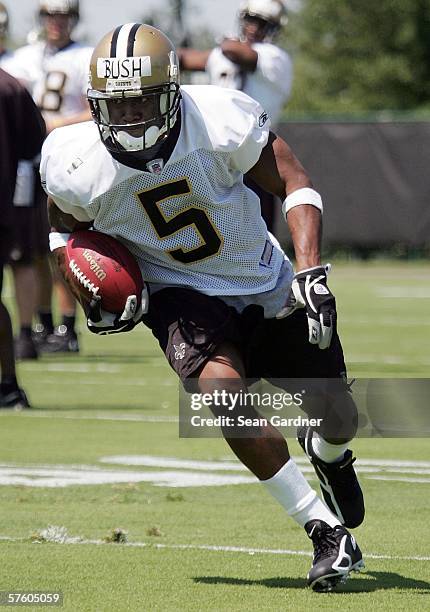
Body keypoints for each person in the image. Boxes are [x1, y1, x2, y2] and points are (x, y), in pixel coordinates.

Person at [41, 24, 365, 591]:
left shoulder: (219, 117)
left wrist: (310, 269)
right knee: (220, 393)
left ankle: (328, 450)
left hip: (259, 277)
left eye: (143, 100)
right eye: (117, 105)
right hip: (175, 291)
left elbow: (294, 180)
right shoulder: (74, 159)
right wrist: (78, 281)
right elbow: (60, 226)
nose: (132, 118)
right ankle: (323, 530)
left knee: (337, 419)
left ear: (172, 92)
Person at [2, 0, 93, 357]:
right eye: (51, 15)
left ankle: (68, 326)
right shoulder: (23, 57)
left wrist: (54, 125)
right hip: (27, 160)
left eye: (63, 16)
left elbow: (95, 107)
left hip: (68, 155)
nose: (57, 22)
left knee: (62, 243)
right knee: (31, 248)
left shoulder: (85, 57)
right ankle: (41, 323)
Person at [178, 0, 293, 232]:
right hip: (215, 151)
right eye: (251, 19)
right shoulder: (221, 54)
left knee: (259, 228)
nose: (254, 27)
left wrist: (225, 42)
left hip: (255, 151)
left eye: (262, 22)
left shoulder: (274, 57)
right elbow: (185, 59)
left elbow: (236, 52)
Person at [0, 67, 45, 408]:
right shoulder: (11, 86)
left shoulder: (9, 87)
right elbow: (33, 144)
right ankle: (9, 384)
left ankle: (10, 384)